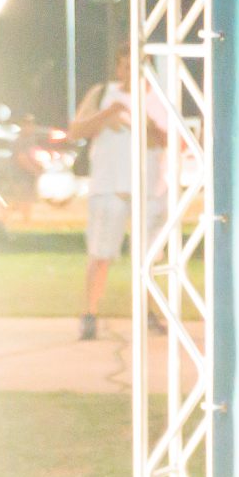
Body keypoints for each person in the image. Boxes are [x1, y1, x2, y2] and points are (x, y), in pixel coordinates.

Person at [66, 45, 167, 341]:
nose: (129, 72)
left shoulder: (158, 98)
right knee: (100, 254)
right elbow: (75, 130)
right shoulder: (102, 94)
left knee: (147, 258)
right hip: (108, 186)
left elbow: (171, 138)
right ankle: (89, 314)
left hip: (148, 188)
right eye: (125, 66)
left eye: (136, 66)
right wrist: (108, 114)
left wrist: (147, 125)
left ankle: (148, 312)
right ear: (118, 68)